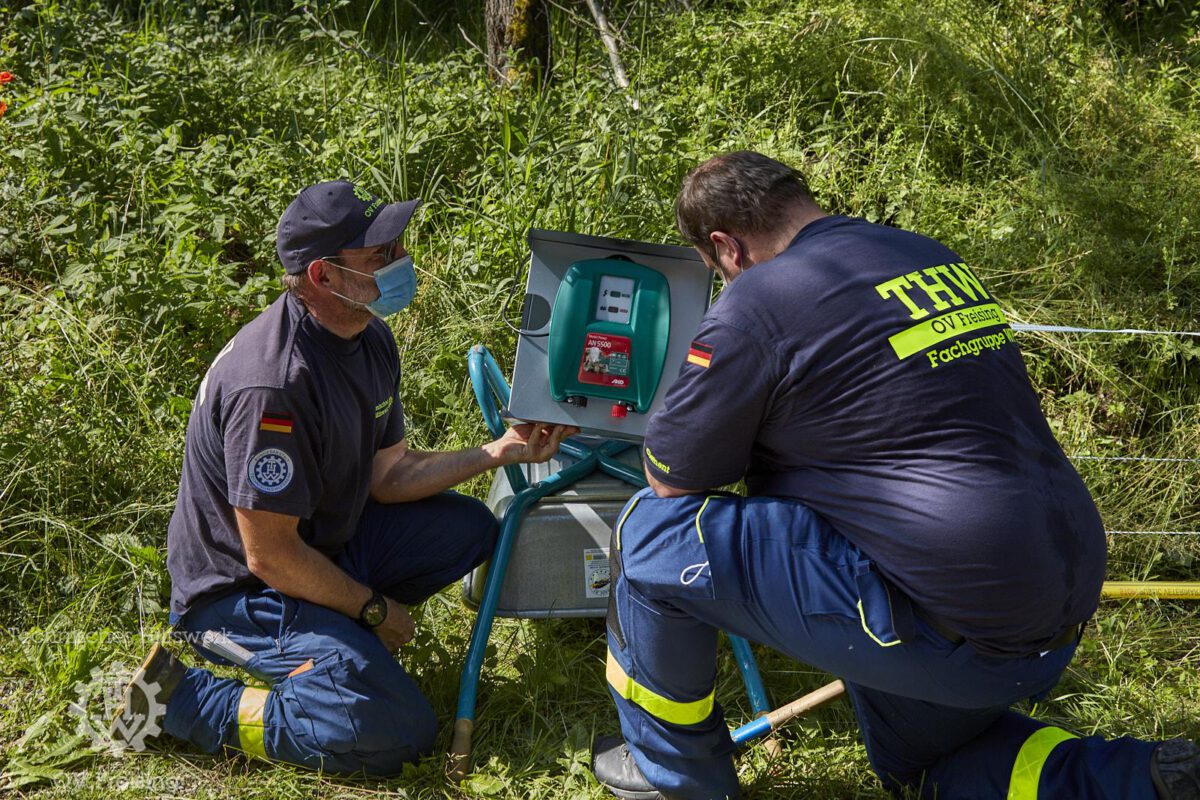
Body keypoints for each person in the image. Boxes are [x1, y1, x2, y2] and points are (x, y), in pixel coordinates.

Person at [590, 151, 1200, 799]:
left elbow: (672, 480)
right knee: (929, 773)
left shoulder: (758, 301)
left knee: (647, 533)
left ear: (726, 247)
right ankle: (1146, 781)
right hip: (1056, 607)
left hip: (944, 619)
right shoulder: (923, 254)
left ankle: (673, 779)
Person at [115, 181, 574, 775]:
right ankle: (181, 701)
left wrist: (497, 452)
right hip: (241, 596)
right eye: (379, 256)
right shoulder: (273, 388)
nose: (400, 262)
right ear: (322, 276)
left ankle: (338, 647)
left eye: (398, 245)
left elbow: (390, 474)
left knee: (468, 529)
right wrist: (374, 610)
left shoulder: (368, 336)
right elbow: (270, 557)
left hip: (323, 544)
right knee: (393, 733)